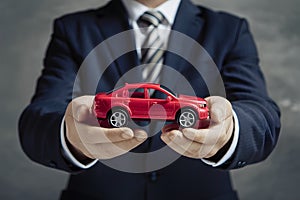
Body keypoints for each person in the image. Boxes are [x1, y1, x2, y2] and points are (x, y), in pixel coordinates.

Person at [19, 0, 281, 199]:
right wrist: (70, 136)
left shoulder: (229, 30)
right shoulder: (73, 29)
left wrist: (230, 131)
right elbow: (39, 116)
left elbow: (260, 113)